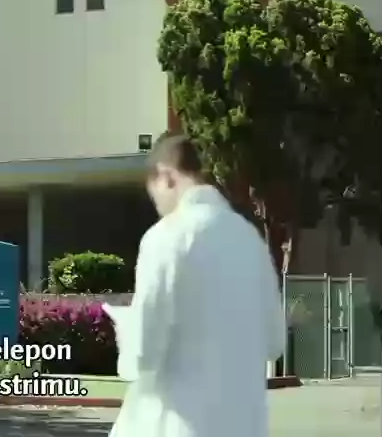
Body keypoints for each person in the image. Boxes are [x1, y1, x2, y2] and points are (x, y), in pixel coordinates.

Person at [105, 132, 286, 437]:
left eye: (154, 194)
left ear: (166, 176)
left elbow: (144, 355)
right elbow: (275, 343)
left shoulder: (166, 236)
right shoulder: (250, 240)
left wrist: (126, 330)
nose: (158, 205)